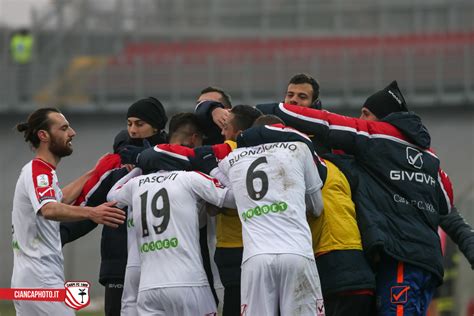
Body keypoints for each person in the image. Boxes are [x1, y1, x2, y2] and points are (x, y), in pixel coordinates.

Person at [257, 80, 455, 315]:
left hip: (401, 255)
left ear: (385, 118)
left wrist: (272, 110)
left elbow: (329, 123)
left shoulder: (378, 136)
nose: (362, 119)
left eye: (366, 113)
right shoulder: (429, 157)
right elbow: (445, 201)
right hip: (428, 263)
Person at [11, 107, 126, 316]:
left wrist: (94, 172)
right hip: (40, 280)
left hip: (30, 279)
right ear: (43, 135)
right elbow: (49, 208)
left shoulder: (42, 172)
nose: (72, 132)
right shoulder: (39, 171)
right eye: (64, 128)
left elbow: (59, 198)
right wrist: (92, 213)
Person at [60, 97, 168, 316]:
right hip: (119, 265)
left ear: (157, 125)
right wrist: (57, 235)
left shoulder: (173, 162)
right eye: (129, 124)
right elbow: (91, 210)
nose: (133, 130)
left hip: (164, 264)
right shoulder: (115, 168)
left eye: (139, 124)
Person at [107, 144, 236, 316]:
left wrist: (138, 169)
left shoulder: (136, 184)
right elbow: (236, 197)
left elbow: (111, 196)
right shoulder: (191, 178)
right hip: (189, 283)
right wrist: (212, 169)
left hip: (148, 289)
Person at [217, 123, 325, 315]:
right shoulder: (298, 149)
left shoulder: (231, 159)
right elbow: (317, 208)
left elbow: (217, 177)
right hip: (296, 252)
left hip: (256, 259)